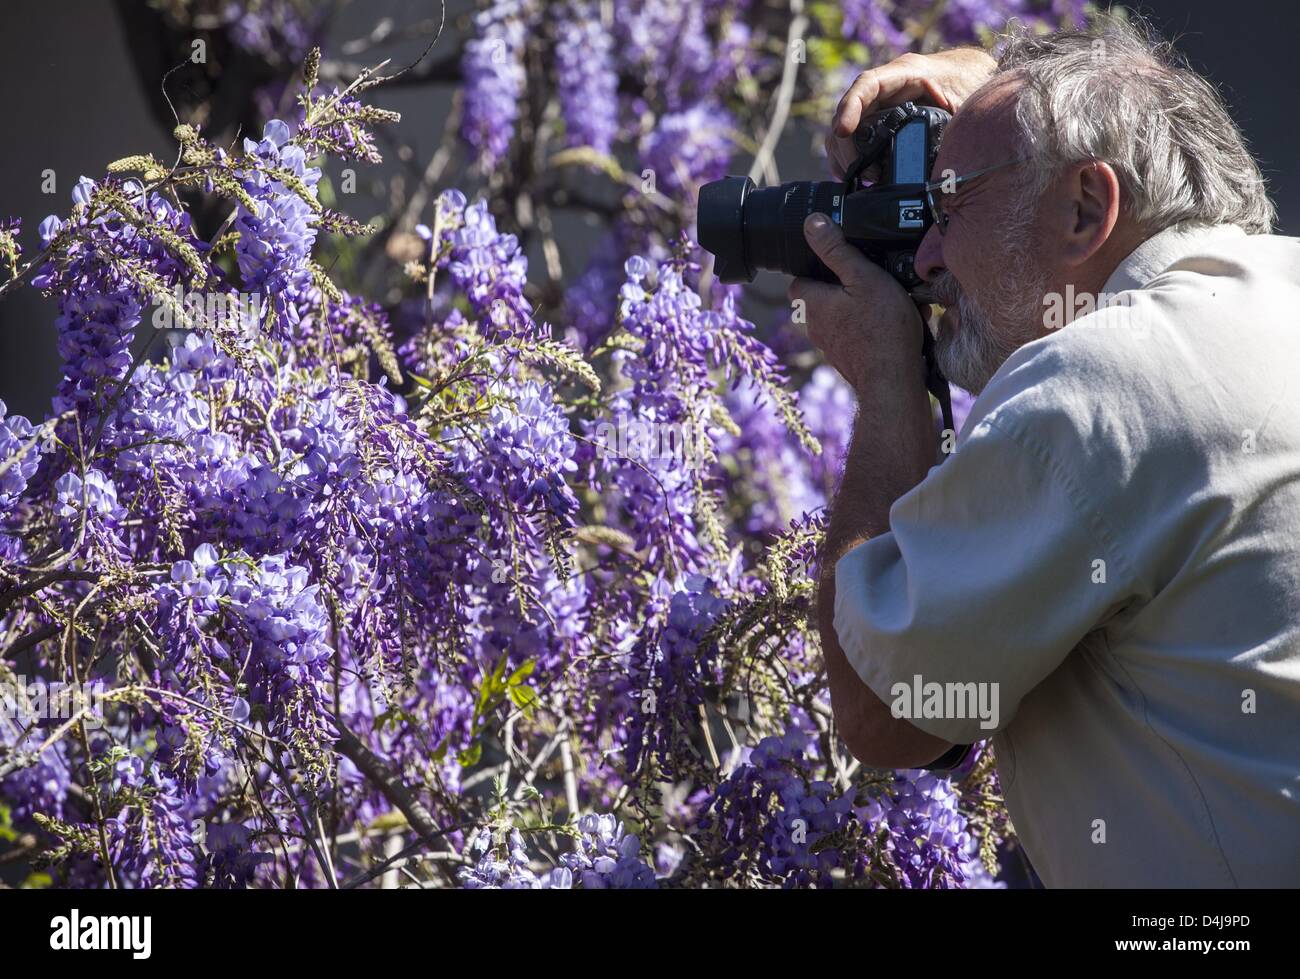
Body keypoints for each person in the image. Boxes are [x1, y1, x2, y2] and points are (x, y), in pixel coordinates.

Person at [793, 18, 1300, 886]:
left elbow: (890, 714)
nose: (924, 254)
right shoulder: (1274, 292)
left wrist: (889, 385)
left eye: (949, 208)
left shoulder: (1106, 375)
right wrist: (996, 79)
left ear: (1084, 207)